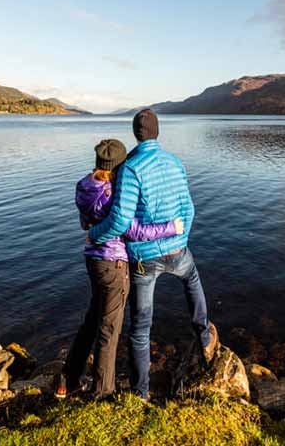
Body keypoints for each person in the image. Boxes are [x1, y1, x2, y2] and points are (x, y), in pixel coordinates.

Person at [87, 109, 217, 400]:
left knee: (141, 327)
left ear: (136, 134)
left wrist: (94, 234)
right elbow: (190, 209)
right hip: (177, 247)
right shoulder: (175, 162)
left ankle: (141, 393)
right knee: (192, 281)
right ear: (157, 132)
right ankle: (204, 336)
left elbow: (121, 221)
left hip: (143, 259)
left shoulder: (131, 168)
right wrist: (179, 240)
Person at [58, 138, 185, 400]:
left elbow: (85, 224)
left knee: (92, 321)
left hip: (93, 261)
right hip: (114, 265)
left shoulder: (86, 186)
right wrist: (171, 228)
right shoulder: (112, 195)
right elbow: (133, 230)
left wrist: (93, 232)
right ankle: (103, 392)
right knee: (109, 329)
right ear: (118, 166)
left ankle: (68, 379)